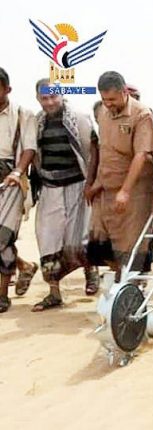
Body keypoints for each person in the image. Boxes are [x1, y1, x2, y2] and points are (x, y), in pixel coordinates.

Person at [29, 78, 100, 311]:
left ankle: (90, 269)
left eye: (53, 97)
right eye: (44, 98)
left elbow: (93, 153)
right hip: (50, 188)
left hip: (78, 187)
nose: (49, 102)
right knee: (47, 240)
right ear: (38, 98)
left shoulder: (79, 119)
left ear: (61, 95)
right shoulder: (36, 123)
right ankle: (54, 293)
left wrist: (91, 184)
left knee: (77, 240)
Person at [86, 71, 153, 276]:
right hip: (107, 189)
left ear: (124, 92)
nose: (108, 104)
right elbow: (104, 150)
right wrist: (96, 183)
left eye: (112, 99)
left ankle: (132, 288)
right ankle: (121, 282)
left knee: (131, 247)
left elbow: (141, 154)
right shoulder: (102, 112)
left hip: (134, 191)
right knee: (100, 246)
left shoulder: (142, 114)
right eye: (104, 99)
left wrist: (125, 191)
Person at [0, 66, 38, 313]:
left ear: (7, 89)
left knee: (2, 237)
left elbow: (29, 148)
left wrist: (17, 171)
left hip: (12, 180)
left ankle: (2, 295)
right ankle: (24, 266)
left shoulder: (23, 114)